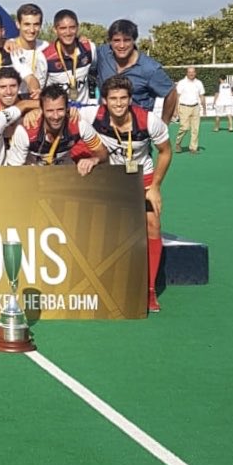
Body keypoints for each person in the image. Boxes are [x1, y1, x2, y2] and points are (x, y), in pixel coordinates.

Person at [85, 76, 172, 313]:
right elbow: (60, 114)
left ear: (130, 99)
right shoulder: (92, 115)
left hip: (141, 178)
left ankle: (149, 290)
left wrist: (155, 187)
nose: (119, 103)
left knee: (153, 223)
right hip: (111, 178)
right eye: (113, 99)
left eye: (123, 98)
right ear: (104, 100)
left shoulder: (148, 121)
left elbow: (165, 152)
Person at [6, 85, 107, 173]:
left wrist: (94, 159)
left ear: (67, 108)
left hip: (65, 176)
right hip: (34, 178)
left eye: (60, 110)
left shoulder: (79, 125)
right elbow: (13, 169)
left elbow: (102, 152)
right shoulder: (25, 131)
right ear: (41, 110)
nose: (55, 116)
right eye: (50, 111)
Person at [95, 19, 178, 123]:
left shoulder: (149, 68)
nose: (121, 46)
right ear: (110, 41)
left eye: (127, 40)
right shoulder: (102, 55)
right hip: (104, 128)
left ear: (134, 40)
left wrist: (164, 124)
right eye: (116, 40)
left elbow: (171, 92)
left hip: (137, 132)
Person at [42, 9, 97, 104]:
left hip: (85, 111)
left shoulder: (89, 48)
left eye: (72, 27)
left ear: (78, 27)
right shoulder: (45, 56)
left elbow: (94, 75)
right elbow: (40, 90)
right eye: (63, 28)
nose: (68, 32)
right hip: (59, 113)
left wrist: (94, 101)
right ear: (55, 30)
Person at [7, 3, 47, 98]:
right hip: (14, 102)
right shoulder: (9, 47)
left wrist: (81, 39)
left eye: (36, 24)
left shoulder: (45, 47)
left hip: (38, 101)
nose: (32, 30)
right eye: (27, 24)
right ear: (17, 24)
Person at [174, 66, 207, 153]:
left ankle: (193, 148)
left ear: (195, 73)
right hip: (184, 107)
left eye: (193, 72)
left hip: (195, 107)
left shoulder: (199, 83)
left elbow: (202, 96)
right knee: (184, 128)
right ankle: (178, 143)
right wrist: (175, 110)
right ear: (187, 73)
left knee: (195, 129)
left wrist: (204, 108)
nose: (191, 74)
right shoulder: (181, 83)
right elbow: (177, 97)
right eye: (189, 72)